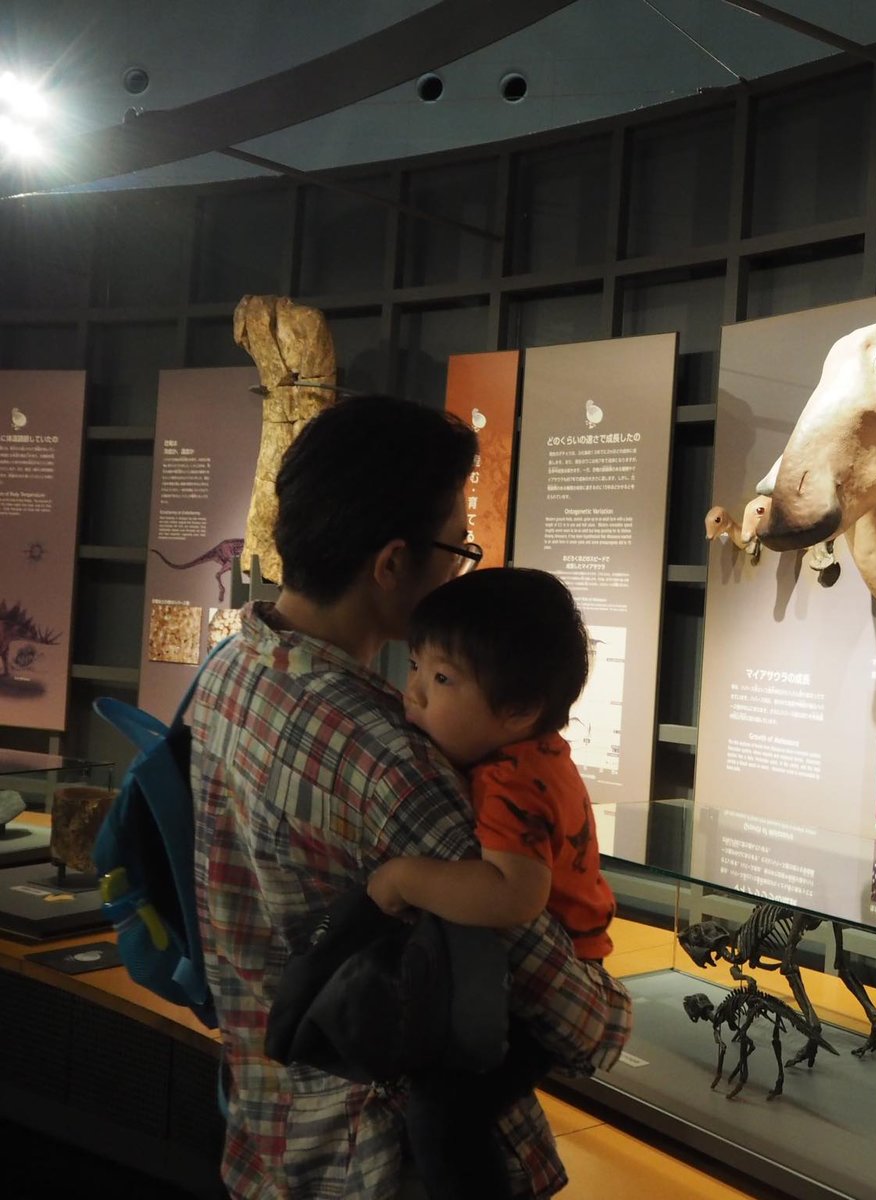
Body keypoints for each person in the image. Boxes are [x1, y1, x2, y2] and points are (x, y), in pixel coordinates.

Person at [188, 395, 631, 1200]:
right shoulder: (389, 759)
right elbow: (575, 1018)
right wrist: (612, 1010)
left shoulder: (230, 667)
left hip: (266, 1126)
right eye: (456, 544)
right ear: (392, 563)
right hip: (378, 1161)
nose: (463, 559)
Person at [365, 566, 619, 1200]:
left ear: (518, 711)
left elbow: (514, 894)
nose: (415, 692)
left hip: (556, 992)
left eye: (443, 679)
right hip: (559, 969)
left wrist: (406, 878)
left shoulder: (511, 780)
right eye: (417, 666)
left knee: (443, 1112)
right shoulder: (526, 753)